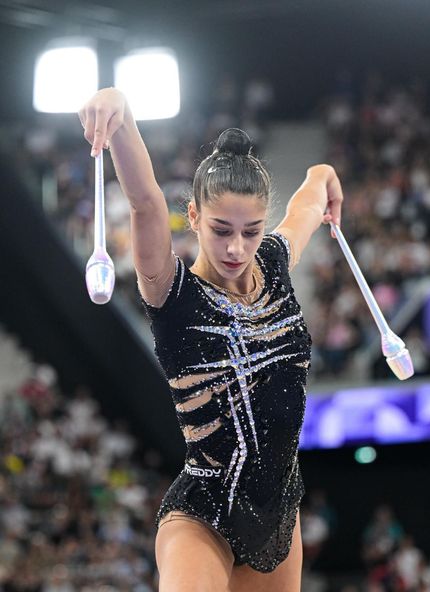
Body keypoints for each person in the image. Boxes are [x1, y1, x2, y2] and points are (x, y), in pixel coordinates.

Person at [78, 87, 343, 592]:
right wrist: (121, 114)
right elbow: (145, 201)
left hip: (279, 514)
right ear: (195, 218)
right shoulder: (173, 292)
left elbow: (306, 208)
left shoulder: (274, 262)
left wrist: (321, 176)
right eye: (221, 229)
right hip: (205, 515)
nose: (237, 247)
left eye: (251, 231)